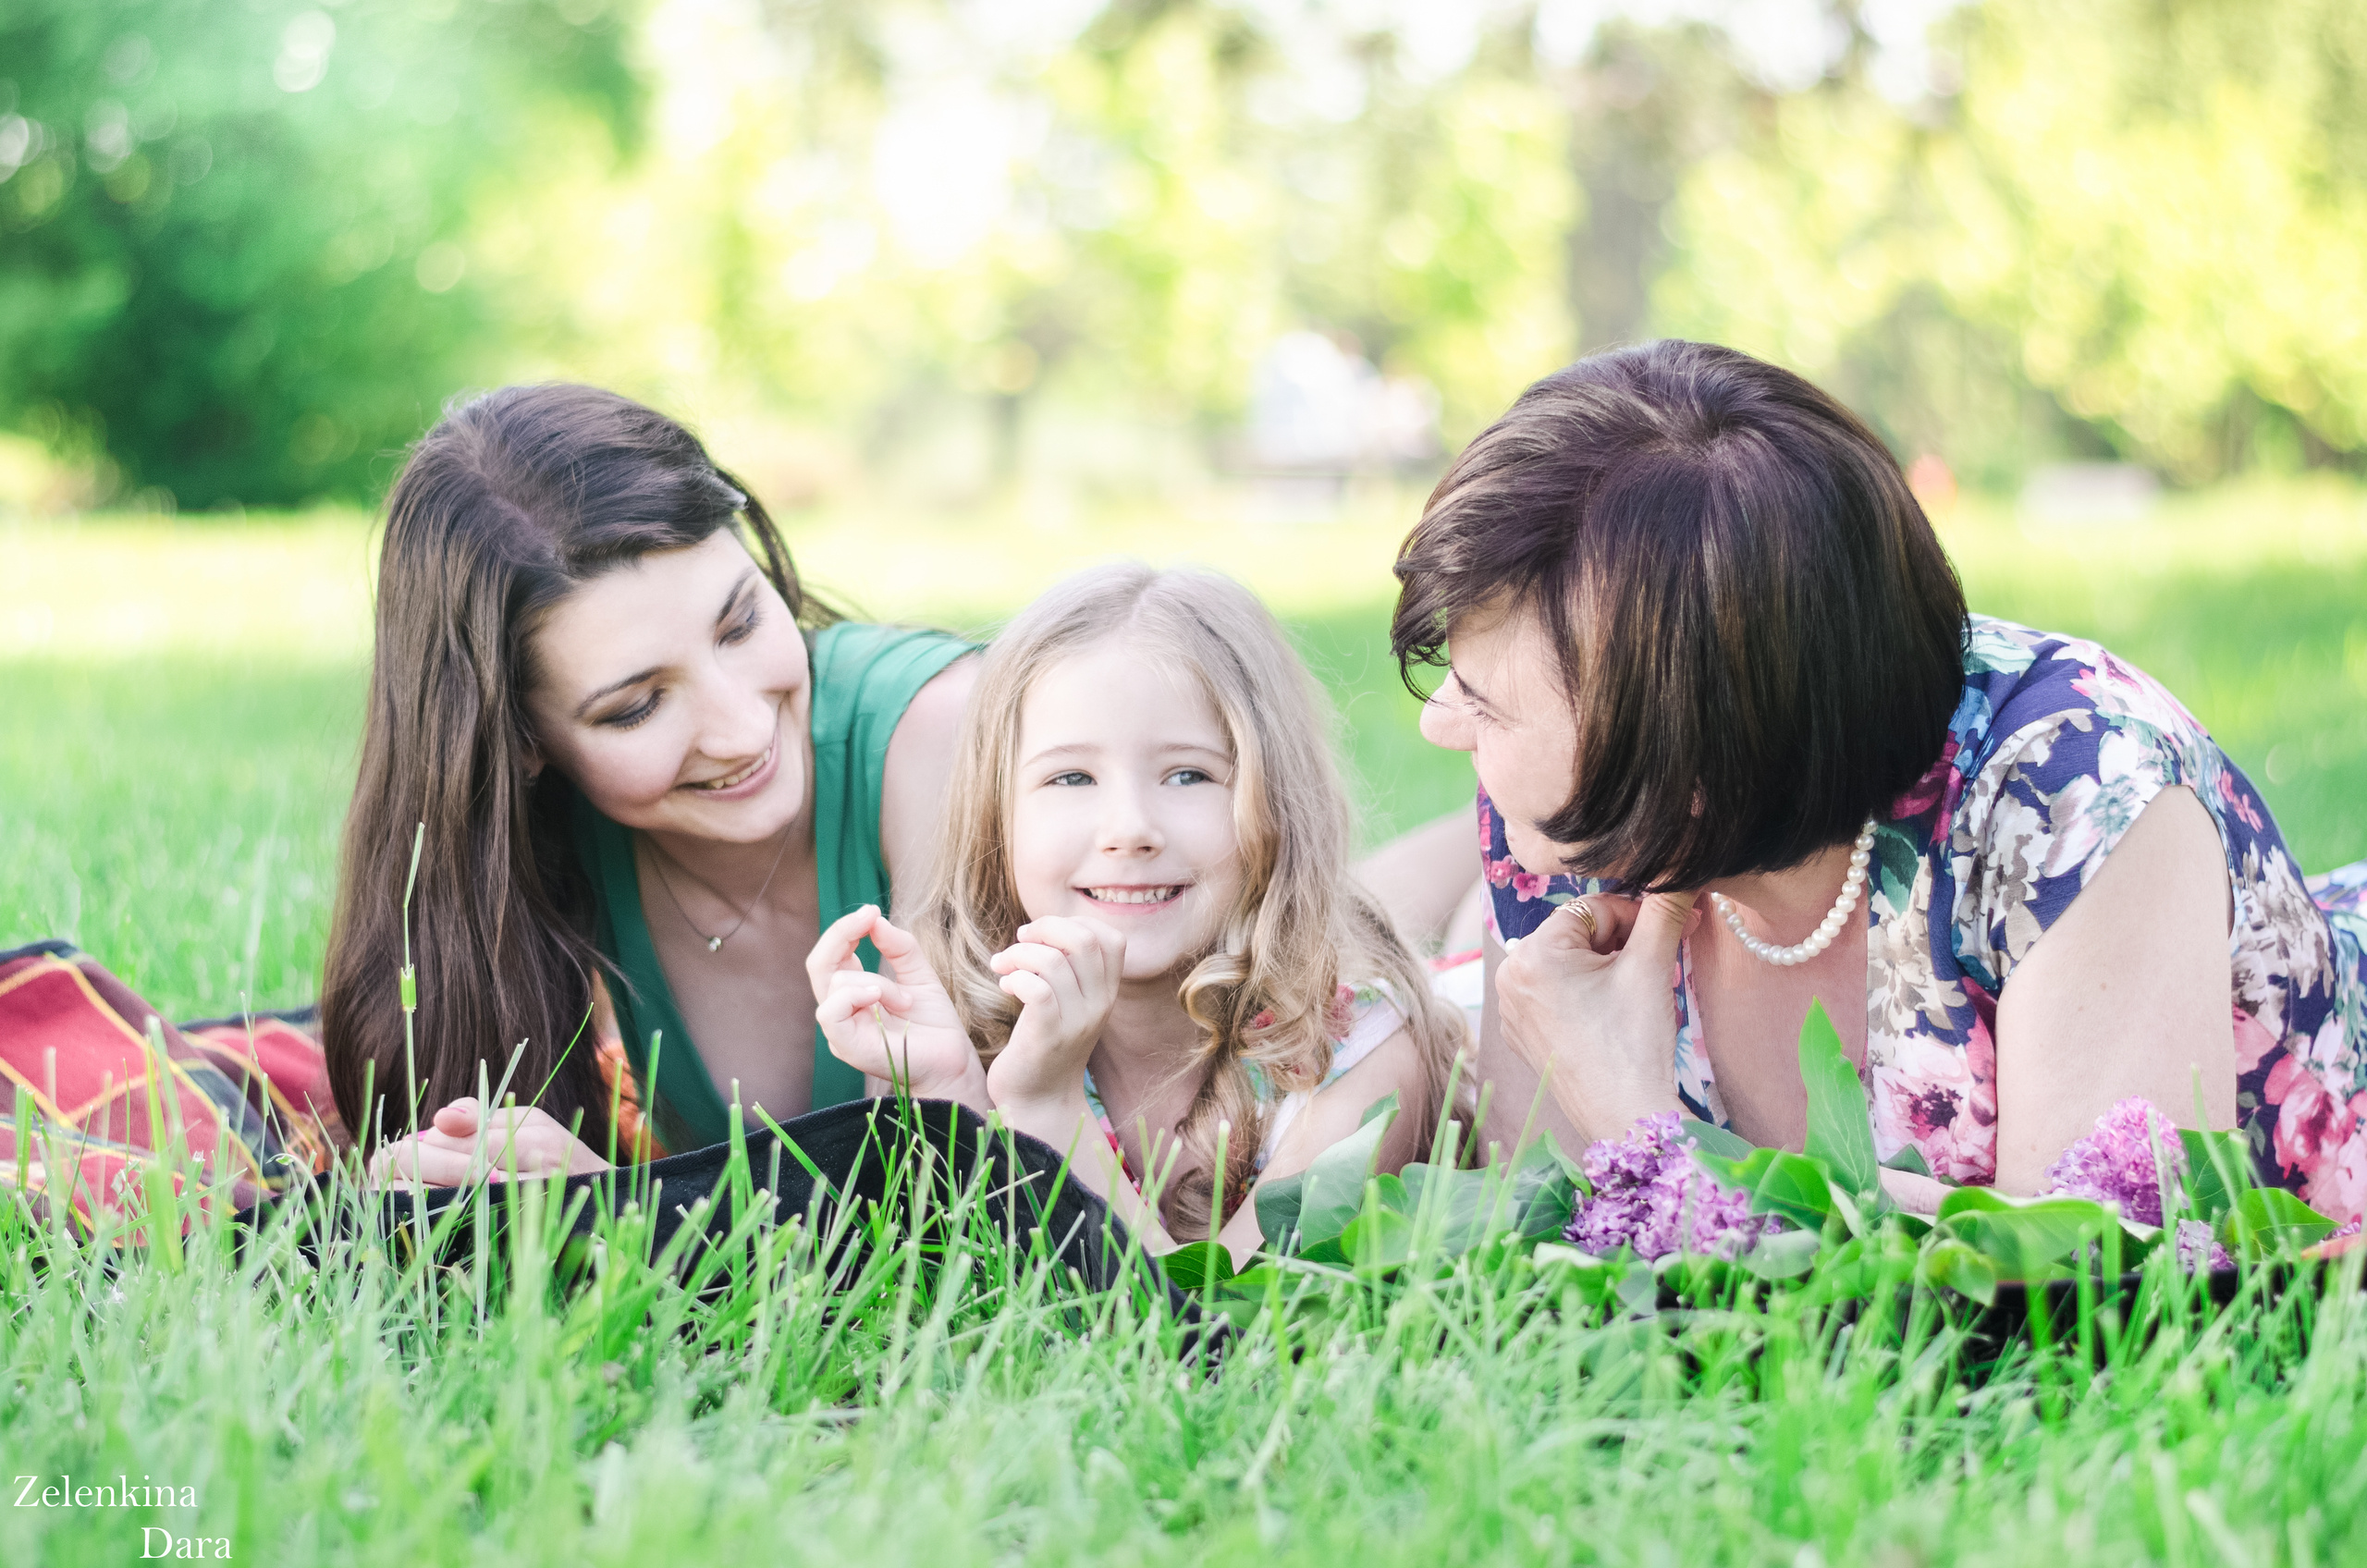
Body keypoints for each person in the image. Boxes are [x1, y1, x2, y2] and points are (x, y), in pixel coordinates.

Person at [1390, 339, 2367, 1219]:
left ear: (1689, 759)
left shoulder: (2076, 794)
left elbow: (2082, 1310)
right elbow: (1558, 1247)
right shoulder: (1571, 829)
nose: (1442, 726)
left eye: (1484, 703)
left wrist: (1651, 1135)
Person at [326, 384, 976, 1181]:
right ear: (520, 742)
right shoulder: (521, 860)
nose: (743, 728)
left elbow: (939, 1195)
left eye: (740, 624)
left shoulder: (941, 735)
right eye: (637, 707)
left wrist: (627, 1213)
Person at [803, 564, 1469, 1258]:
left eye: (1189, 774)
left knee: (1470, 915)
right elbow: (966, 1279)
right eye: (1071, 777)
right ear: (993, 817)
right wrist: (953, 1090)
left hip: (1447, 995)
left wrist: (1050, 1109)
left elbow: (1213, 1331)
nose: (1129, 828)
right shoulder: (961, 1022)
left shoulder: (1359, 1057)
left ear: (1279, 800)